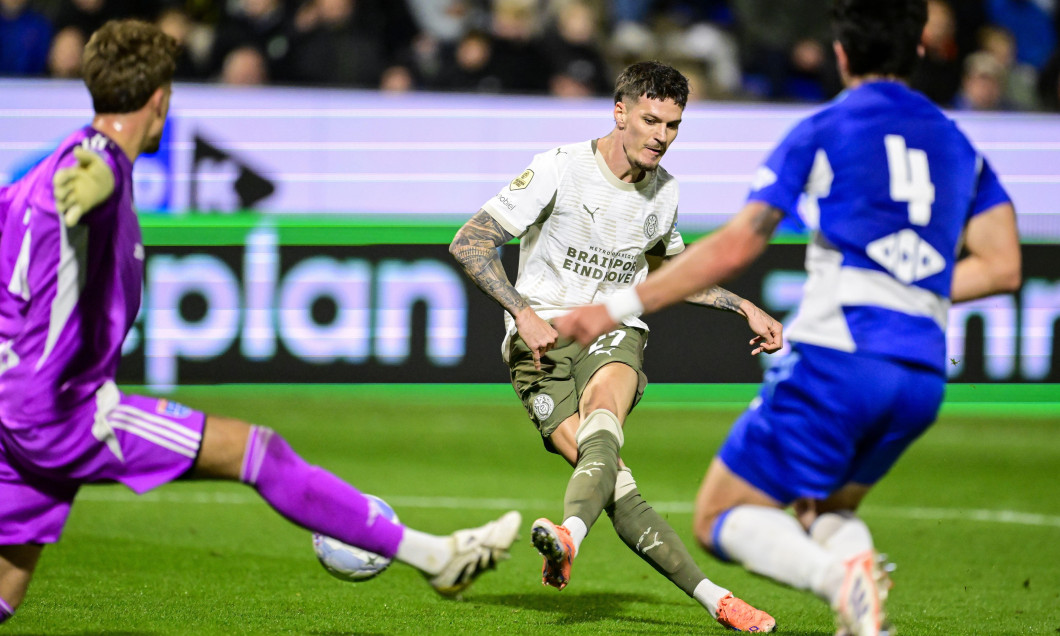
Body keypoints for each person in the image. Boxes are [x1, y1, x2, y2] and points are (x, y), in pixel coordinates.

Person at [0, 20, 521, 625]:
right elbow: (92, 173)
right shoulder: (97, 162)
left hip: (14, 403)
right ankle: (437, 557)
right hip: (59, 410)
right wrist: (88, 186)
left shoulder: (28, 183)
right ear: (161, 98)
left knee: (11, 574)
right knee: (257, 452)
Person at [554, 2, 1023, 635]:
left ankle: (842, 582)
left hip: (841, 358)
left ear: (841, 54)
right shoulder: (958, 142)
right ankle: (864, 612)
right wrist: (908, 287)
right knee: (820, 504)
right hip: (921, 375)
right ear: (917, 54)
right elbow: (1002, 266)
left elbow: (738, 243)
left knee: (720, 514)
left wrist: (618, 304)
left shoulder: (828, 127)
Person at [449, 60, 781, 633]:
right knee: (613, 479)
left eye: (673, 125)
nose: (662, 137)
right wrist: (522, 313)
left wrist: (743, 306)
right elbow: (470, 241)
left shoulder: (665, 192)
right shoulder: (560, 168)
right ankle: (714, 598)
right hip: (540, 346)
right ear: (620, 111)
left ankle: (568, 536)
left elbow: (668, 273)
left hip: (614, 328)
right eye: (651, 121)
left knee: (606, 412)